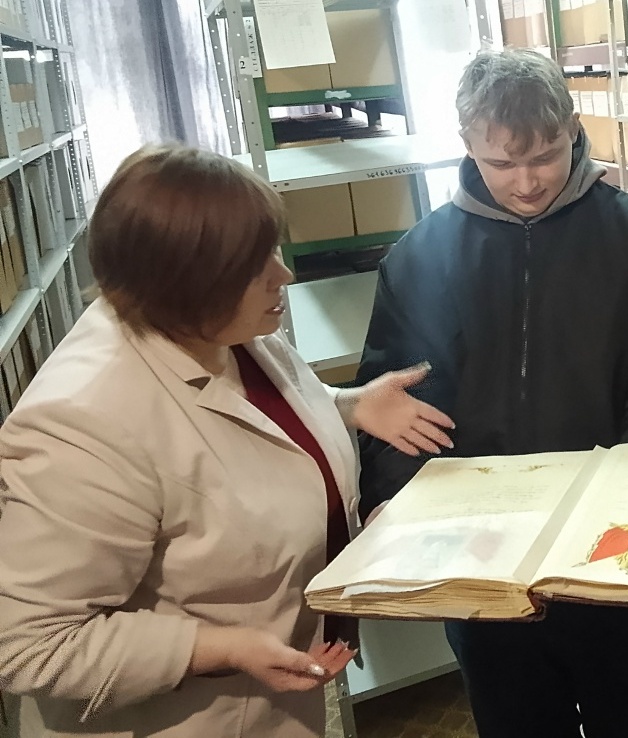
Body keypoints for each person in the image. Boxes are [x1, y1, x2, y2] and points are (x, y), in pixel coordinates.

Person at [0, 145, 456, 737]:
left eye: (270, 250)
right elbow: (30, 645)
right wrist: (220, 648)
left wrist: (347, 405)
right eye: (252, 266)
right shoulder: (81, 423)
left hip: (278, 701)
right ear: (183, 280)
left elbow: (251, 425)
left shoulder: (220, 329)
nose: (283, 276)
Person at [354, 50, 628, 737]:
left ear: (573, 130)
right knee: (515, 721)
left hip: (612, 557)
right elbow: (394, 409)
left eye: (545, 157)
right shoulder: (420, 257)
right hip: (483, 566)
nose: (526, 183)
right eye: (501, 163)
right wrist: (396, 503)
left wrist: (626, 497)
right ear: (466, 143)